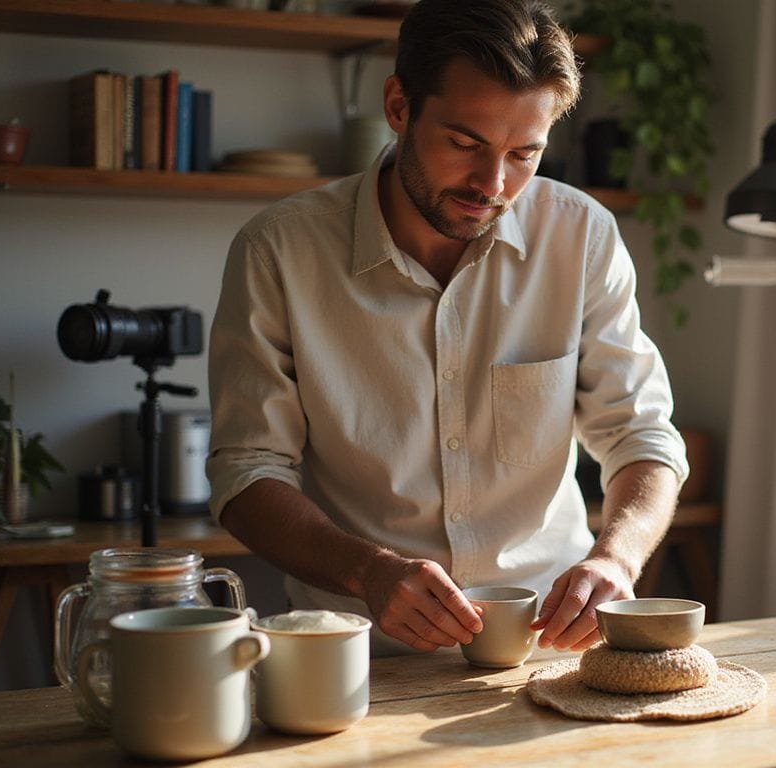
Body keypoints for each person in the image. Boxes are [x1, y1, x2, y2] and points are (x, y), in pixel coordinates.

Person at [206, 0, 687, 657]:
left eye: (525, 153)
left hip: (550, 648)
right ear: (399, 107)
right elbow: (246, 472)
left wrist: (618, 561)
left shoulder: (582, 238)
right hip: (352, 652)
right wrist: (367, 570)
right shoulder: (279, 250)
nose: (493, 183)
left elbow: (641, 435)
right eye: (466, 144)